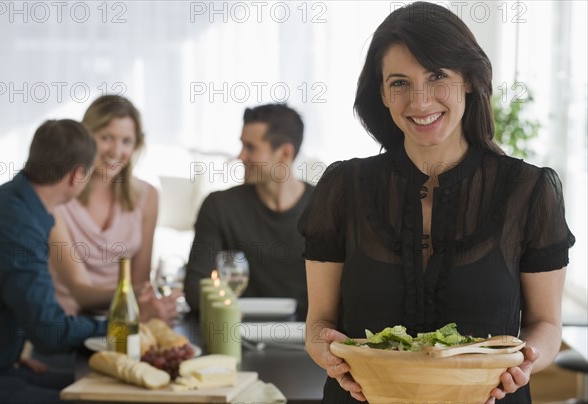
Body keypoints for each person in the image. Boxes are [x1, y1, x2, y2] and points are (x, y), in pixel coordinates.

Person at [298, 2, 576, 403]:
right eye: (399, 83)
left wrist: (526, 362)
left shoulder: (530, 190)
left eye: (437, 76)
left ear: (468, 80)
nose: (420, 100)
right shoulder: (342, 186)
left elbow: (545, 323)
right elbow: (318, 323)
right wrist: (325, 351)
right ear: (381, 93)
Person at [0, 119, 106, 404]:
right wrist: (120, 326)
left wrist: (10, 355)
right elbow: (49, 333)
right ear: (78, 175)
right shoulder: (18, 225)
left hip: (2, 365)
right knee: (99, 397)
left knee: (98, 387)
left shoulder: (14, 203)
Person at [48, 95, 176, 324]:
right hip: (66, 328)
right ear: (86, 138)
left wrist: (149, 301)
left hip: (124, 323)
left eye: (127, 141)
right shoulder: (59, 197)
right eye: (106, 138)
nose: (116, 151)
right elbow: (80, 292)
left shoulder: (147, 197)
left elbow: (140, 280)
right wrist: (136, 293)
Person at [184, 103, 314, 321]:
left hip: (309, 343)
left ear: (284, 153)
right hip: (236, 336)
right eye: (242, 146)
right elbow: (196, 286)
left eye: (251, 148)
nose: (240, 156)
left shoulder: (325, 207)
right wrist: (228, 312)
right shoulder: (219, 206)